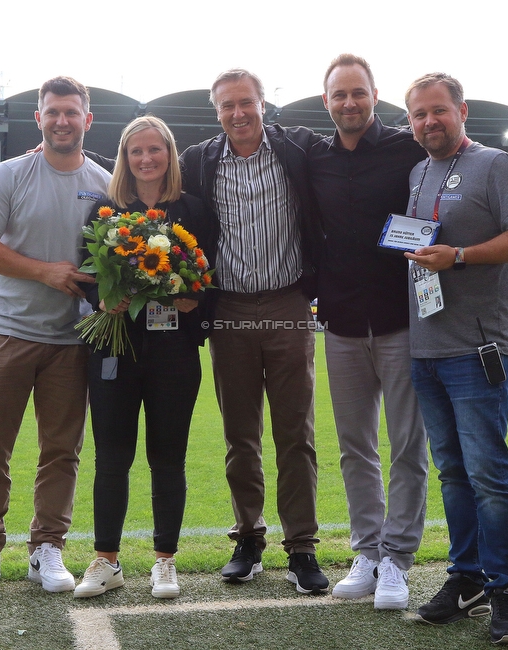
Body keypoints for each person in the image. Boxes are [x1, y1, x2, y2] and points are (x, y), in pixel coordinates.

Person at [0, 76, 111, 597]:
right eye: (53, 112)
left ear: (88, 120)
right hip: (6, 331)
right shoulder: (11, 173)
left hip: (72, 340)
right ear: (38, 119)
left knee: (61, 450)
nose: (62, 120)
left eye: (72, 112)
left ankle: (47, 547)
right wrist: (46, 272)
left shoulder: (107, 183)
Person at [402, 72, 508, 645]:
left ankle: (507, 589)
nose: (429, 122)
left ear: (462, 110)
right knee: (453, 473)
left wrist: (457, 256)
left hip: (479, 346)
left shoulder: (496, 165)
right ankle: (465, 577)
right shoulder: (417, 171)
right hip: (427, 346)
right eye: (418, 115)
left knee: (488, 474)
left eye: (438, 111)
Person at [178, 69, 329, 594]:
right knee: (240, 436)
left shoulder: (299, 149)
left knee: (296, 434)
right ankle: (248, 536)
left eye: (246, 103)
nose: (237, 113)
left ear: (265, 105)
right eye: (227, 106)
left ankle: (303, 547)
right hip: (230, 310)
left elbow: (368, 151)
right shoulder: (198, 161)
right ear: (215, 110)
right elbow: (140, 177)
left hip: (288, 302)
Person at [307, 54, 431, 610]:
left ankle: (397, 560)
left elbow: (465, 161)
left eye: (358, 94)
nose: (349, 103)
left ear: (375, 96)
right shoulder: (313, 156)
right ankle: (367, 551)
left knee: (407, 446)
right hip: (341, 322)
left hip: (403, 320)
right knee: (356, 447)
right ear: (326, 100)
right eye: (339, 95)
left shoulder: (410, 147)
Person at [73, 116, 212, 601]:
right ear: (124, 158)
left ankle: (164, 561)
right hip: (115, 348)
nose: (147, 159)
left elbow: (210, 278)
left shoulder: (193, 209)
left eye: (156, 150)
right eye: (137, 151)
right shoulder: (104, 212)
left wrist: (194, 299)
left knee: (168, 457)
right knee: (111, 457)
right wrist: (103, 299)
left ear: (170, 155)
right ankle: (107, 560)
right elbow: (87, 274)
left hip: (174, 352)